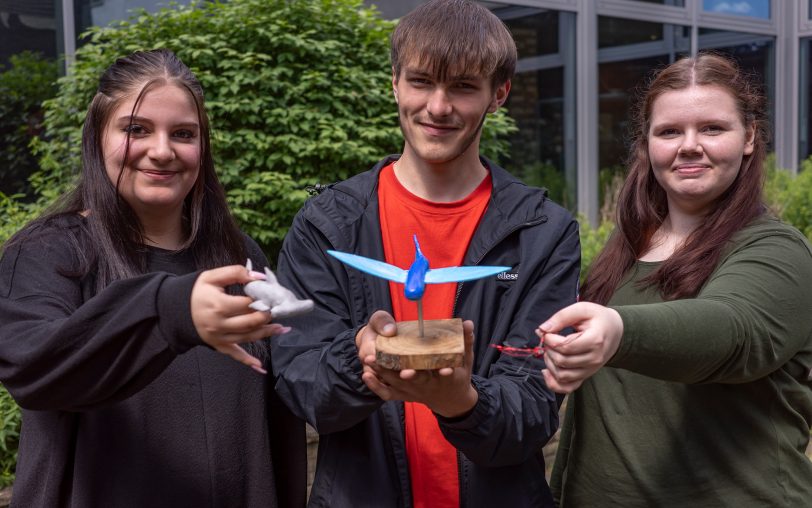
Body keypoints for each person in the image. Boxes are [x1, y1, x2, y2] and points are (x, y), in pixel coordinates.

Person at [270, 1, 580, 507]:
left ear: (498, 94)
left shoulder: (543, 234)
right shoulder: (327, 224)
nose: (437, 107)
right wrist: (361, 357)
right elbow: (300, 384)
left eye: (462, 86)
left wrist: (463, 403)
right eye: (420, 82)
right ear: (395, 83)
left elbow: (534, 408)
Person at [0, 49, 305, 507]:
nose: (161, 151)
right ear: (98, 136)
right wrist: (170, 310)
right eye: (135, 129)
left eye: (183, 134)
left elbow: (279, 414)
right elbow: (35, 369)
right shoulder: (48, 254)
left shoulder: (237, 255)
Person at [539, 52, 812, 506]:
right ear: (646, 145)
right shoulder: (627, 246)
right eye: (669, 131)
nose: (689, 145)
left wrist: (618, 330)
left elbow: (731, 330)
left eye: (712, 128)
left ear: (749, 137)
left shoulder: (776, 250)